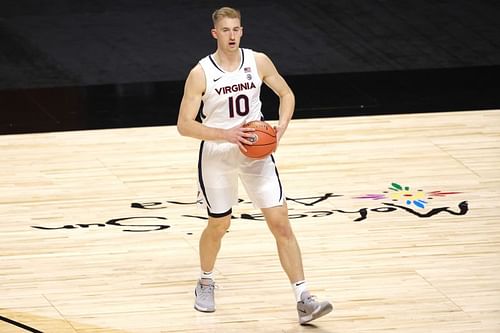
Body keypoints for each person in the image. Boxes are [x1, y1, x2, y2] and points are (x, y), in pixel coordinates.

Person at [177, 6, 333, 325]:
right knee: (219, 225)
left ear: (242, 32)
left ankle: (304, 298)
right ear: (215, 34)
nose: (231, 35)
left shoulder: (258, 61)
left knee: (281, 223)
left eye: (236, 29)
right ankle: (205, 280)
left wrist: (281, 127)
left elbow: (286, 94)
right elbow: (184, 125)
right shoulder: (201, 73)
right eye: (225, 30)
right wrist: (226, 133)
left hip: (257, 155)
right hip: (218, 155)